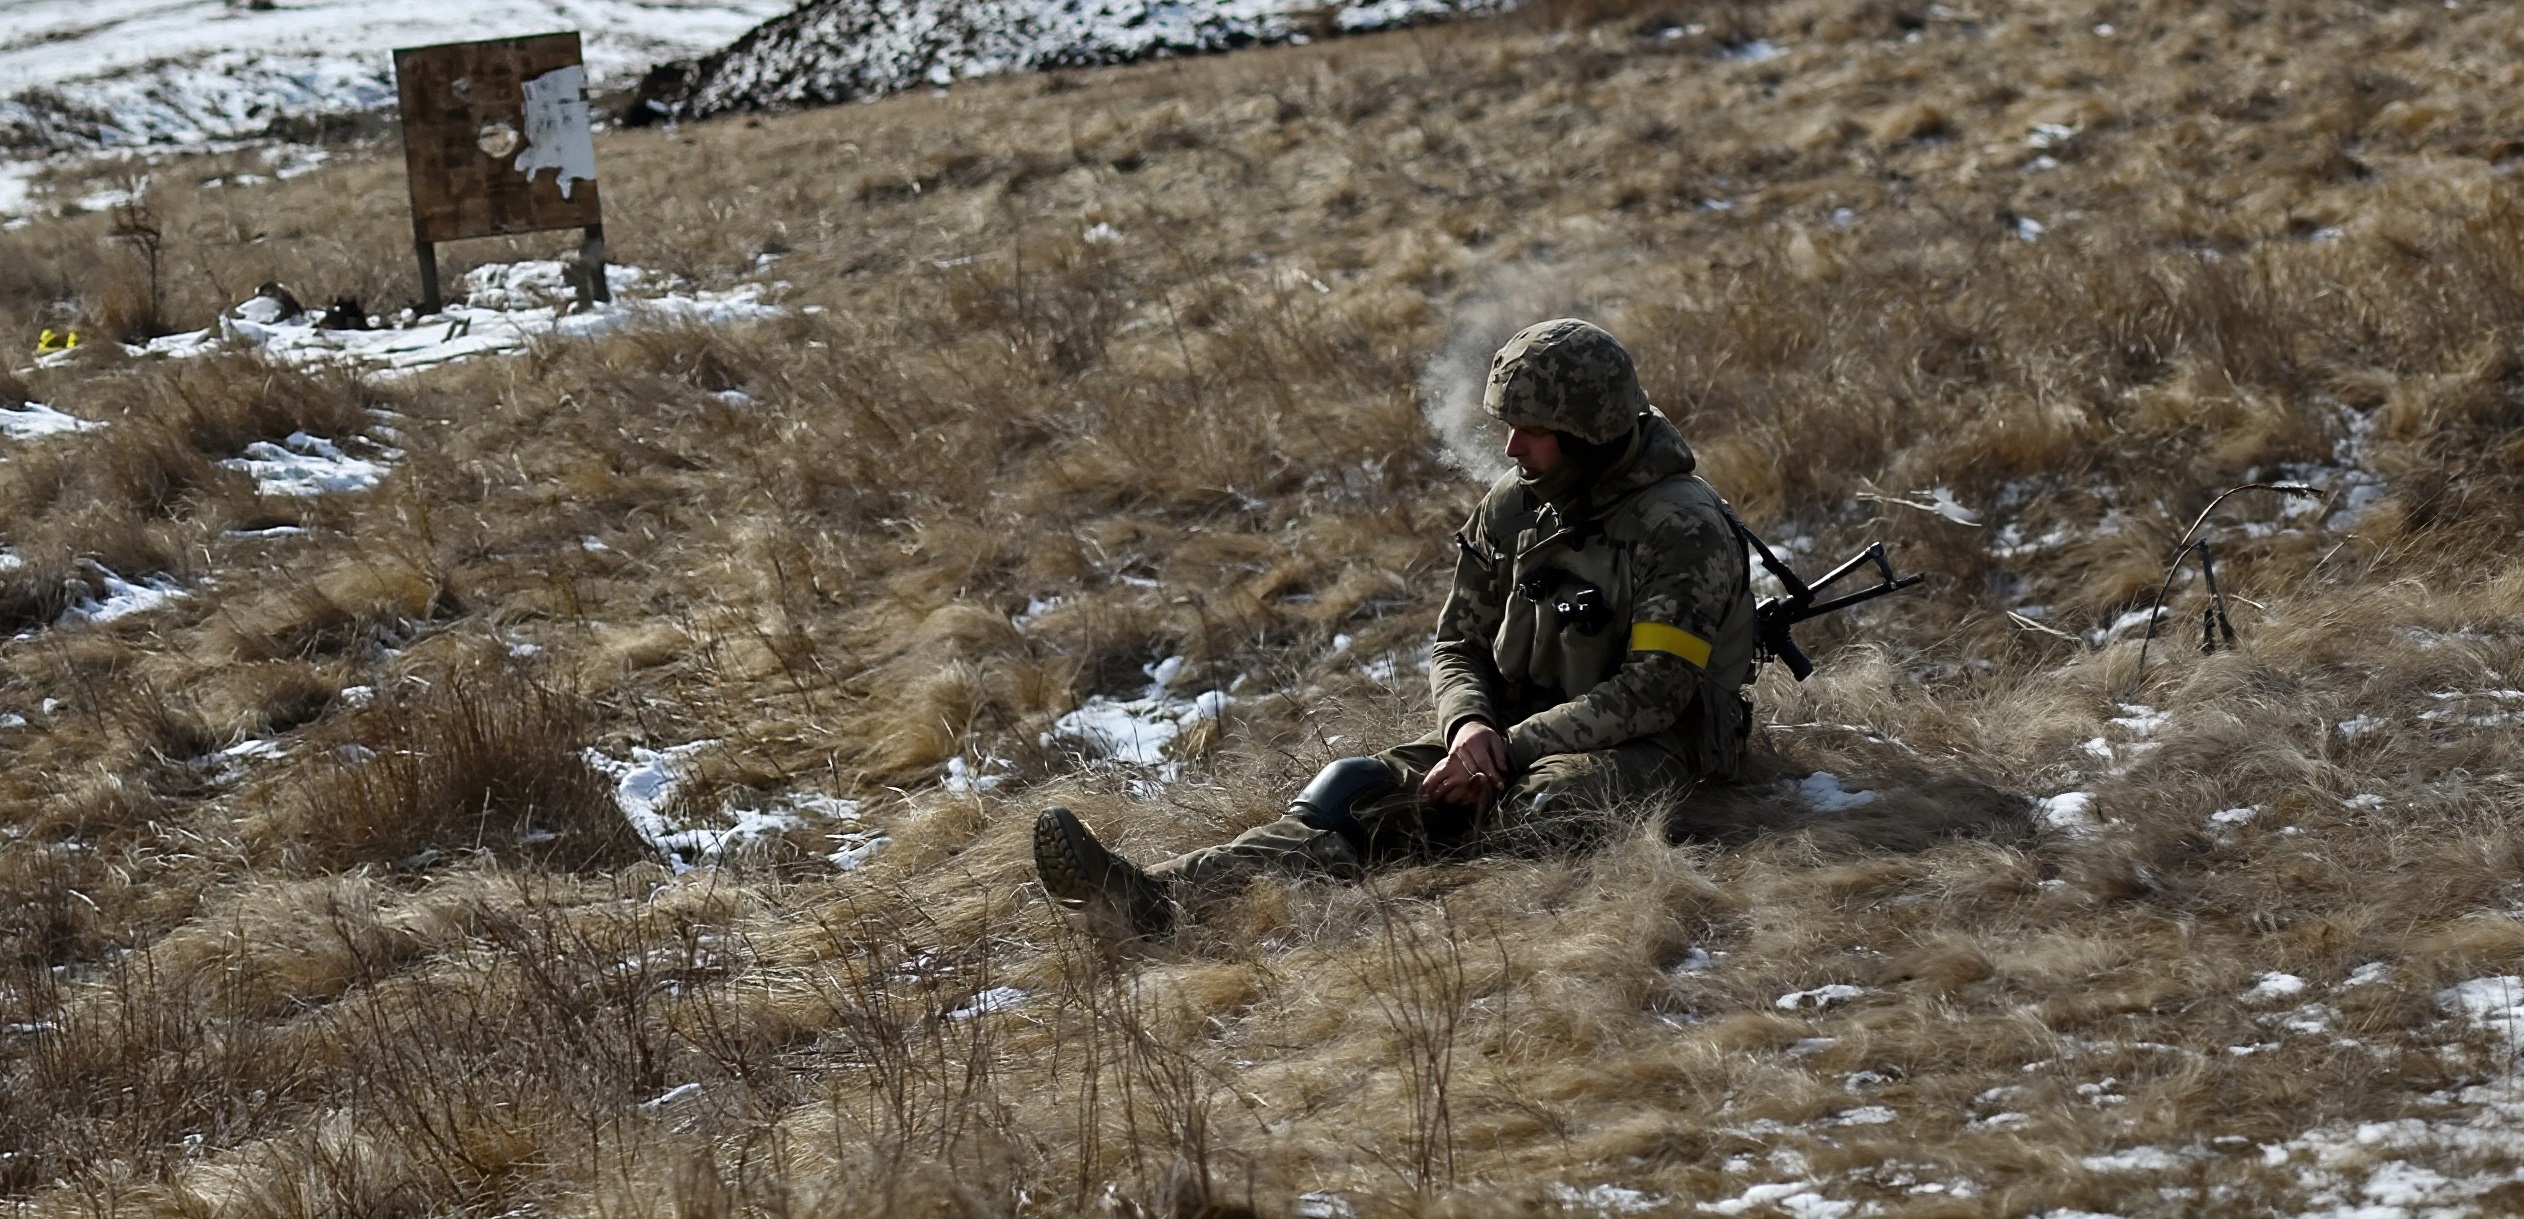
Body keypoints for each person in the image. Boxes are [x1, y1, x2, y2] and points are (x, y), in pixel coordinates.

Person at [1034, 319, 1757, 936]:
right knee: (1349, 789)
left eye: (1533, 432)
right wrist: (1470, 729)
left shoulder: (1680, 527)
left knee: (1549, 809)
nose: (1510, 450)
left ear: (1591, 433)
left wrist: (1505, 750)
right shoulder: (1518, 504)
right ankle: (1155, 897)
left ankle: (1414, 866)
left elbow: (1656, 693)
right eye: (1509, 428)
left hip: (1657, 743)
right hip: (1512, 730)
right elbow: (1457, 643)